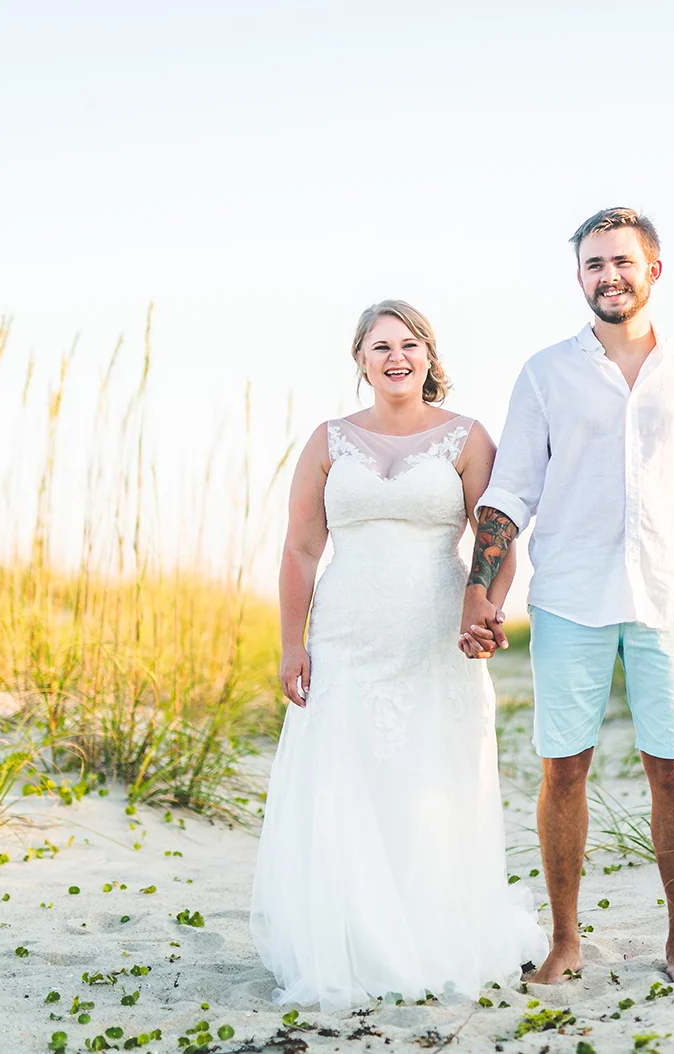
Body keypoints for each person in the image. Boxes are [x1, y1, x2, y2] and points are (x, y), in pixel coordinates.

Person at [460, 207, 674, 984]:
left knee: (672, 770)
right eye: (593, 264)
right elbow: (510, 491)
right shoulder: (545, 373)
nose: (608, 276)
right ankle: (564, 940)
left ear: (654, 270)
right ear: (579, 277)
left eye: (621, 261)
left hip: (672, 596)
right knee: (564, 769)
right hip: (569, 596)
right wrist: (479, 589)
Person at [250, 300, 544, 1010]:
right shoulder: (328, 440)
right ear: (359, 359)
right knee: (345, 782)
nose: (395, 357)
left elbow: (496, 537)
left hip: (433, 638)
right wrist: (293, 642)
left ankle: (432, 935)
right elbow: (299, 547)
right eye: (380, 346)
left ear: (429, 356)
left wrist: (486, 605)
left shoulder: (468, 437)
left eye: (409, 344)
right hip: (347, 637)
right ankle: (351, 943)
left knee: (428, 780)